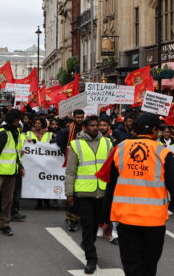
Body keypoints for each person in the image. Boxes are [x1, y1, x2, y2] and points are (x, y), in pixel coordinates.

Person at [102, 113, 174, 276]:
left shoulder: (120, 148)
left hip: (126, 220)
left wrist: (105, 220)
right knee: (148, 267)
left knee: (132, 268)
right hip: (153, 223)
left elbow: (110, 188)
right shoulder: (162, 153)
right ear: (154, 130)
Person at [66, 116, 113, 274]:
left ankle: (87, 243)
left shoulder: (107, 142)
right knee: (87, 225)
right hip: (84, 193)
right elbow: (71, 171)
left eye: (97, 125)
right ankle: (91, 258)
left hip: (103, 192)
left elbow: (113, 168)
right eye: (92, 125)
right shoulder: (75, 145)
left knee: (96, 226)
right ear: (84, 127)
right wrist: (69, 193)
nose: (96, 128)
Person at [0, 109, 24, 242]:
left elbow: (15, 152)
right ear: (14, 120)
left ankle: (5, 225)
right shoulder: (2, 133)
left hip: (11, 173)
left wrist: (20, 167)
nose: (20, 122)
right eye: (18, 119)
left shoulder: (16, 132)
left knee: (8, 201)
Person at [57, 109, 86, 232]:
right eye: (77, 117)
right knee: (72, 192)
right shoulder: (68, 130)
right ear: (73, 117)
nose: (79, 119)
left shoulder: (87, 129)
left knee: (81, 193)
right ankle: (72, 220)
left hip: (84, 164)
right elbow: (62, 145)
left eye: (81, 117)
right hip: (72, 163)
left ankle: (80, 218)